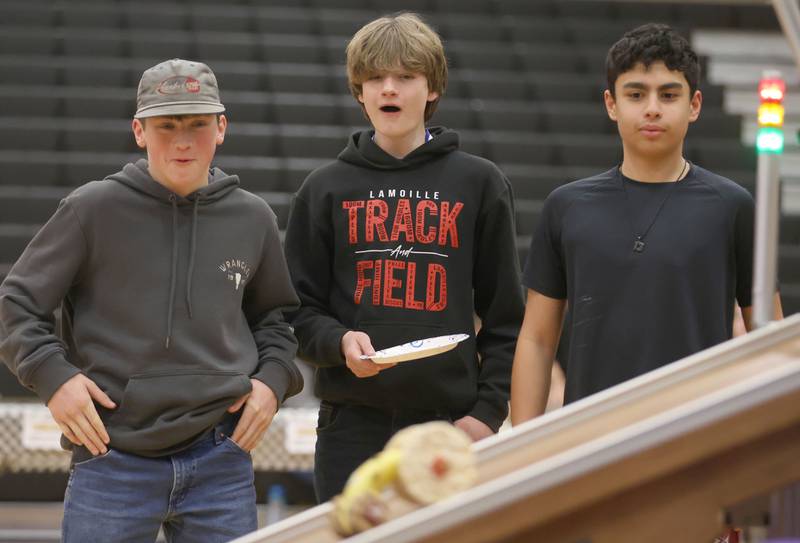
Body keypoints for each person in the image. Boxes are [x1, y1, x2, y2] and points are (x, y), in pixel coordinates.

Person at [0, 58, 303, 542]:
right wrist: (54, 379)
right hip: (111, 459)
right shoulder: (91, 210)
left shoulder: (254, 219)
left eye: (197, 124)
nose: (182, 141)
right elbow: (16, 302)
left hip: (221, 458)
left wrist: (272, 382)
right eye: (166, 126)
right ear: (139, 131)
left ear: (221, 127)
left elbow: (276, 320)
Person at [284, 13, 524, 502]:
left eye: (405, 77)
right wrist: (339, 342)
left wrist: (486, 416)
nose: (388, 89)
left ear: (432, 88)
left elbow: (506, 317)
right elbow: (297, 312)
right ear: (359, 90)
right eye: (375, 78)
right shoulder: (324, 188)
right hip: (349, 427)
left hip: (446, 427)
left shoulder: (479, 183)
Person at [510, 23, 782, 424]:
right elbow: (536, 339)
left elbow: (768, 333)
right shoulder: (566, 206)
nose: (652, 108)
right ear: (611, 103)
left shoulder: (732, 206)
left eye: (668, 95)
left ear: (695, 105)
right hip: (589, 436)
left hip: (698, 434)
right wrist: (523, 447)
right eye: (636, 94)